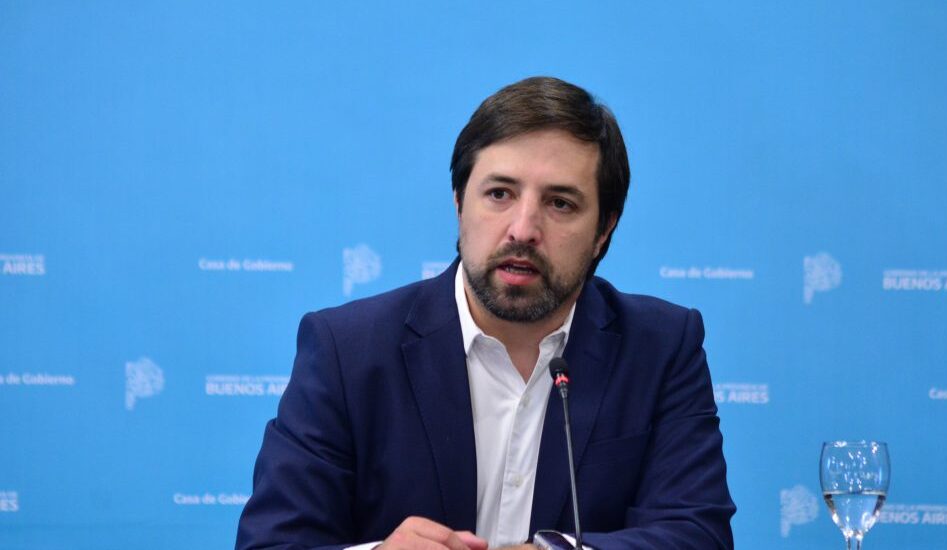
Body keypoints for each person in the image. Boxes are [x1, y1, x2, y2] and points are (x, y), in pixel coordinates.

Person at [236, 76, 735, 549]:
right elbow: (273, 541)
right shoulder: (347, 350)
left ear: (604, 229)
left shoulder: (661, 348)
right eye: (499, 194)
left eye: (560, 203)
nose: (523, 229)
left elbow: (697, 535)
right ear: (459, 202)